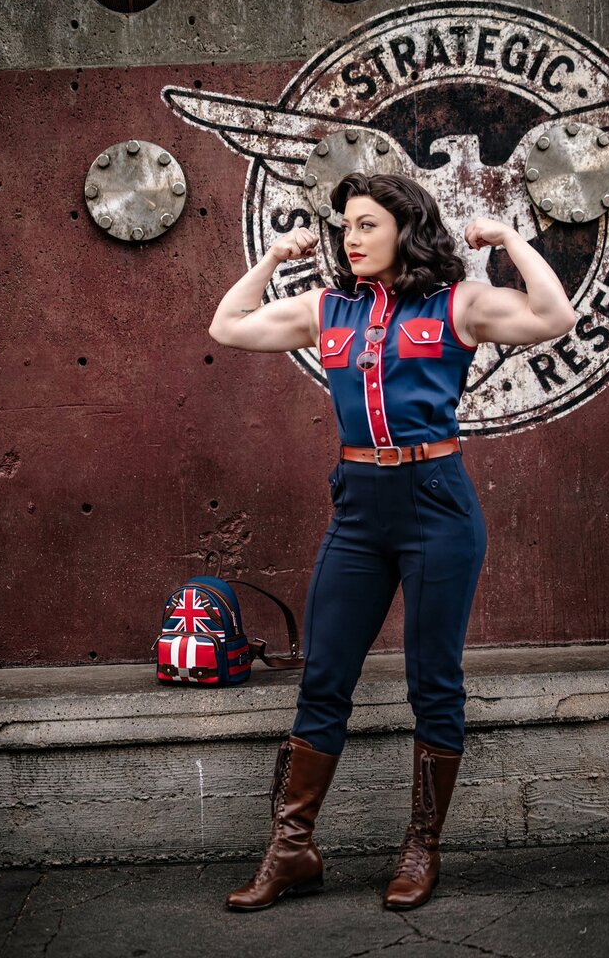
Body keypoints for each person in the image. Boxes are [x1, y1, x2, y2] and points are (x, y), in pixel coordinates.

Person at [210, 171, 576, 913]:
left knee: (432, 682)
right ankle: (292, 849)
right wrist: (273, 257)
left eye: (367, 224)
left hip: (437, 504)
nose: (351, 237)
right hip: (359, 508)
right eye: (346, 225)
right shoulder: (328, 309)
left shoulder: (458, 303)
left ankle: (421, 848)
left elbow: (554, 315)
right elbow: (229, 324)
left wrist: (509, 239)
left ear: (406, 230)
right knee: (324, 678)